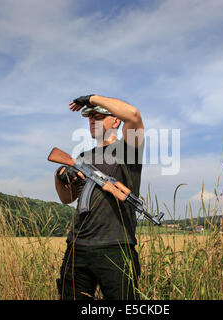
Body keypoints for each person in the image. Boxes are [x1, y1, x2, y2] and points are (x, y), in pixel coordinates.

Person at [54, 94, 145, 300]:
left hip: (116, 247)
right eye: (89, 117)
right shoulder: (83, 157)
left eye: (98, 116)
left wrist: (91, 98)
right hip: (78, 247)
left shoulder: (128, 150)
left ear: (115, 120)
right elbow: (67, 198)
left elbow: (133, 114)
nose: (92, 120)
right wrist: (60, 176)